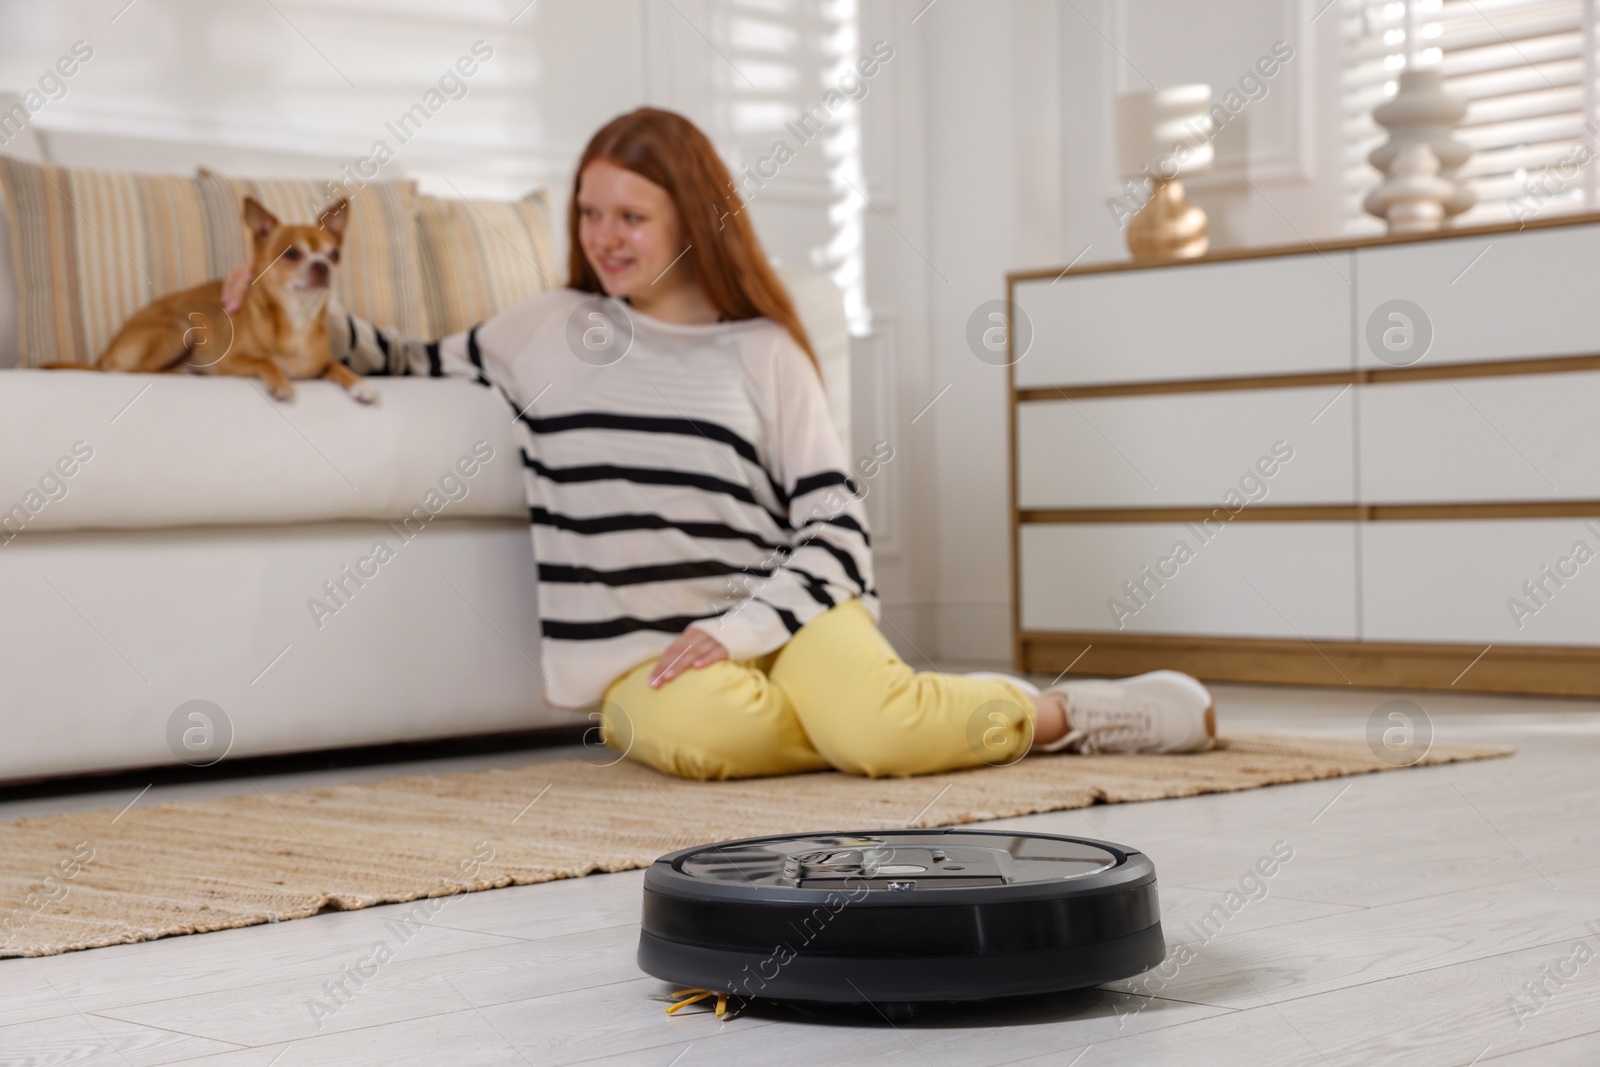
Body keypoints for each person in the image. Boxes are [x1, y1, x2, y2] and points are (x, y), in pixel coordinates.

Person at [221, 107, 1217, 780]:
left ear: (689, 219)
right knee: (712, 740)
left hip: (780, 612)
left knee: (875, 726)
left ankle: (1066, 714)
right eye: (590, 213)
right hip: (644, 658)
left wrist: (744, 629)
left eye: (631, 217)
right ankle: (886, 716)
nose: (604, 236)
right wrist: (272, 297)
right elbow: (397, 359)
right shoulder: (541, 332)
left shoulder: (764, 348)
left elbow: (836, 529)